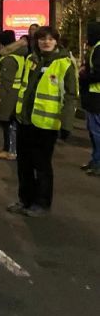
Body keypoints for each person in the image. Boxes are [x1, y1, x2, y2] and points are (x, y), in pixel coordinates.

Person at [8, 26, 77, 217]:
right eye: (42, 39)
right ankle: (25, 200)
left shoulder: (64, 64)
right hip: (25, 120)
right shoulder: (31, 60)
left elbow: (71, 96)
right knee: (24, 164)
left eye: (50, 39)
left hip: (46, 124)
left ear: (56, 41)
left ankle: (42, 203)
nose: (46, 42)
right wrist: (15, 112)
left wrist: (67, 125)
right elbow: (23, 87)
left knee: (42, 166)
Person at [0, 29, 28, 161]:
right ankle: (9, 149)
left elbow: (6, 80)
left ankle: (10, 150)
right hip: (14, 92)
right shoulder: (18, 56)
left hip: (9, 94)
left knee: (8, 123)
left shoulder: (9, 59)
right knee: (10, 124)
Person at [81, 22, 100, 175]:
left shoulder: (99, 49)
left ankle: (98, 163)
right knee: (93, 131)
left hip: (96, 97)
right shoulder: (95, 48)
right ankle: (95, 160)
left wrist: (84, 76)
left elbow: (97, 74)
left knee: (96, 132)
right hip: (92, 96)